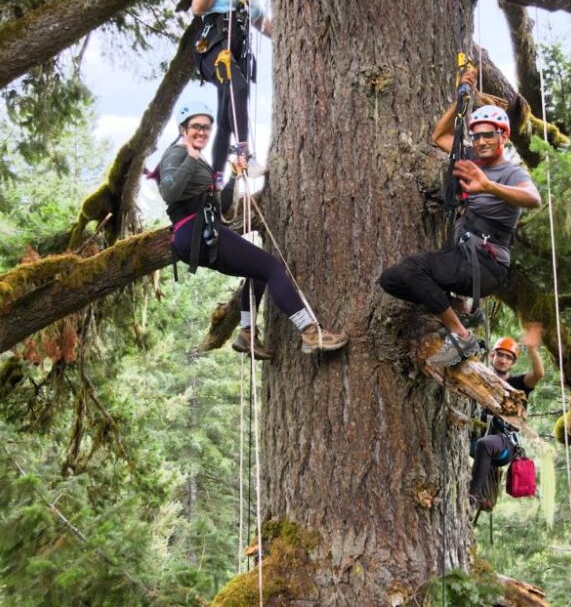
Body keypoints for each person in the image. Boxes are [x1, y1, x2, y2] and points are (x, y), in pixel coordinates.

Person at [158, 101, 348, 356]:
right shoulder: (178, 154)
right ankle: (309, 332)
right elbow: (169, 192)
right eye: (195, 127)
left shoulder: (199, 161)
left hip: (202, 234)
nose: (201, 132)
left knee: (257, 271)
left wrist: (234, 176)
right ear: (183, 129)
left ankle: (247, 334)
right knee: (271, 267)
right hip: (194, 232)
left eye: (206, 127)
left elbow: (223, 207)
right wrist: (190, 159)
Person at [378, 69, 541, 367]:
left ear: (503, 136)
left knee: (413, 268)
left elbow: (533, 198)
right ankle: (455, 309)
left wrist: (489, 185)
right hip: (462, 256)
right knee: (390, 280)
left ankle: (461, 334)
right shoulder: (469, 157)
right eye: (476, 136)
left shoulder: (512, 173)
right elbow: (439, 136)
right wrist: (461, 97)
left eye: (488, 135)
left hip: (486, 264)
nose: (480, 142)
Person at [191, 0, 272, 206]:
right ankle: (244, 153)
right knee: (239, 87)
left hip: (234, 52)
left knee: (228, 113)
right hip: (213, 47)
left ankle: (215, 181)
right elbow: (198, 7)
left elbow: (263, 25)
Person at [469, 325, 545, 510]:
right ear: (491, 356)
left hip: (504, 445)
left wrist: (532, 349)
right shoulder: (481, 379)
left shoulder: (518, 384)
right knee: (477, 442)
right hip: (477, 441)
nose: (503, 360)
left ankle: (473, 495)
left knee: (484, 444)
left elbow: (538, 374)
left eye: (508, 357)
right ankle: (480, 491)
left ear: (513, 362)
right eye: (500, 355)